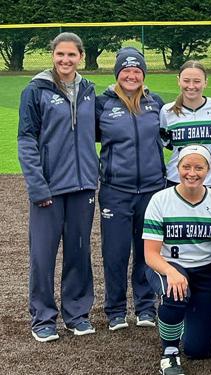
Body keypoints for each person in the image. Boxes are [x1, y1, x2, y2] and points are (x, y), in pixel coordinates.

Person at [18, 32, 98, 341]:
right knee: (43, 255)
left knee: (79, 252)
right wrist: (38, 186)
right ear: (53, 55)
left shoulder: (90, 91)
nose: (65, 60)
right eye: (60, 54)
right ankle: (43, 317)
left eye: (71, 55)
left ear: (80, 56)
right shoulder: (36, 91)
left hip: (82, 187)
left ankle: (76, 313)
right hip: (49, 188)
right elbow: (26, 140)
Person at [142, 145, 211, 375]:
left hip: (206, 269)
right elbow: (150, 254)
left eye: (199, 167)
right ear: (177, 168)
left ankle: (188, 319)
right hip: (169, 264)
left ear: (208, 170)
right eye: (186, 167)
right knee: (176, 291)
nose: (192, 173)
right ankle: (169, 353)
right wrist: (171, 271)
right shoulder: (160, 200)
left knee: (199, 351)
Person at [97, 47, 165, 331]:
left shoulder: (155, 103)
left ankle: (145, 306)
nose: (131, 75)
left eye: (137, 71)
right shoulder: (102, 104)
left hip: (151, 189)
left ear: (143, 74)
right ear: (117, 74)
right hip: (116, 190)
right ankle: (115, 310)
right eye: (126, 70)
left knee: (146, 250)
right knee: (115, 251)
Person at [161, 61, 211, 192]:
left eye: (197, 81)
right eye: (186, 81)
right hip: (177, 181)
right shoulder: (167, 111)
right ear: (178, 81)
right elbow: (167, 143)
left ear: (205, 82)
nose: (191, 86)